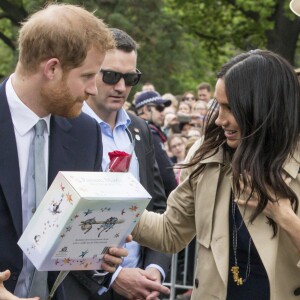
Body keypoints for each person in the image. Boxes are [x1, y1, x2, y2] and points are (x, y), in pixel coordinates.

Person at [132, 49, 300, 299]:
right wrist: (115, 209)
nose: (220, 120)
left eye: (230, 108)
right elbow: (170, 232)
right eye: (218, 106)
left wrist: (285, 216)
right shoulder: (207, 155)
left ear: (263, 108)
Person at [0, 4, 129, 299]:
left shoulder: (86, 133)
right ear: (52, 69)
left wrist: (98, 256)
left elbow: (73, 249)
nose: (94, 90)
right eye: (87, 76)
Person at [75, 28, 171, 300]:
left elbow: (158, 206)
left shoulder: (140, 130)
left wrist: (155, 269)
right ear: (91, 71)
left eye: (130, 78)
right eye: (111, 76)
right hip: (86, 289)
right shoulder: (64, 127)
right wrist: (113, 277)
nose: (121, 87)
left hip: (142, 286)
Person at [135, 91, 178, 197]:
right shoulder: (150, 133)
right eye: (159, 108)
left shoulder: (140, 129)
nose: (163, 113)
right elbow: (165, 173)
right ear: (146, 109)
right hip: (157, 199)